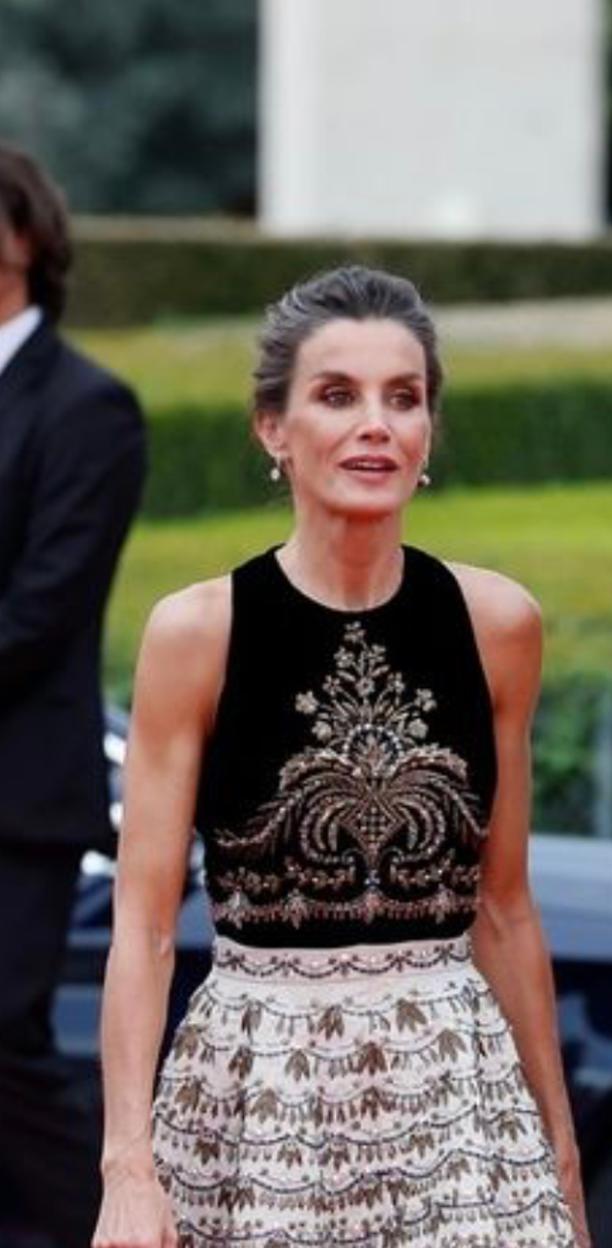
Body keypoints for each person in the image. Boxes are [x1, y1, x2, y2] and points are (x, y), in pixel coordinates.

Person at [92, 266, 587, 1247]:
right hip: (256, 1099)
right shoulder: (197, 633)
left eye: (403, 398)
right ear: (272, 429)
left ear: (429, 429)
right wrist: (128, 1167)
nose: (376, 425)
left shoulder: (499, 625)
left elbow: (505, 908)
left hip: (459, 1104)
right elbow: (142, 928)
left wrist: (560, 1157)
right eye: (336, 395)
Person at [0, 143, 146, 1247]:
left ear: (27, 239)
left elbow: (42, 611)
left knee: (1, 1052)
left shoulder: (90, 406)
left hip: (18, 803)